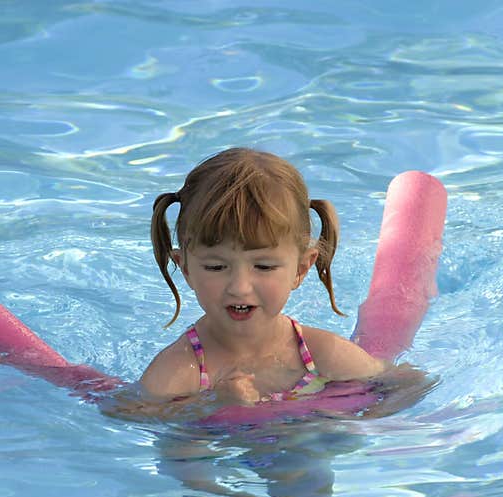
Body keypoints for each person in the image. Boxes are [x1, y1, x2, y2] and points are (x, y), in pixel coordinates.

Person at [140, 147, 387, 408]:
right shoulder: (174, 376)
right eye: (216, 267)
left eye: (264, 266)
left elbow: (400, 389)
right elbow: (168, 443)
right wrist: (211, 406)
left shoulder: (323, 355)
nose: (239, 287)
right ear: (186, 268)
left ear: (301, 269)